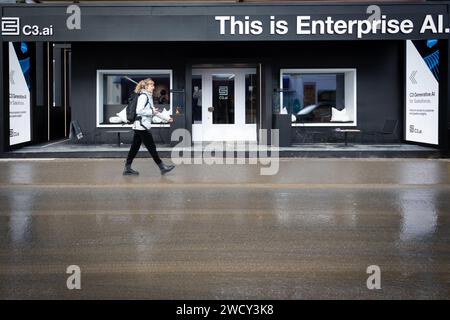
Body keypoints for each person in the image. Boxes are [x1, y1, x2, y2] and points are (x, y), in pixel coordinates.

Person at [123, 78, 175, 175]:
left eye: (153, 85)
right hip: (142, 126)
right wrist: (151, 112)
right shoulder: (144, 96)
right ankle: (162, 167)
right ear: (146, 87)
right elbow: (139, 110)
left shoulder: (148, 96)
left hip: (139, 126)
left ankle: (127, 168)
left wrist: (166, 118)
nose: (153, 87)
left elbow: (154, 112)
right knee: (151, 147)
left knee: (134, 147)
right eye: (151, 85)